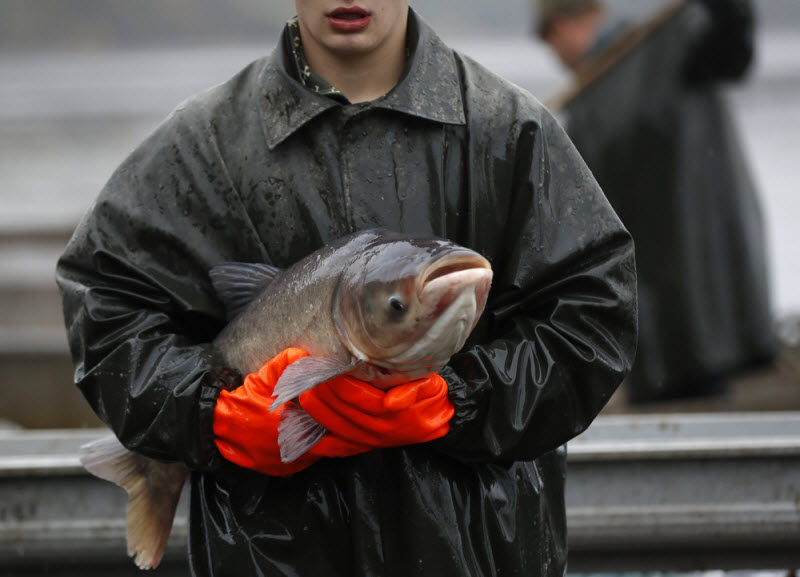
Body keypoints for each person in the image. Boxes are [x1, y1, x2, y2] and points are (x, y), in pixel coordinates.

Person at [56, 1, 637, 575]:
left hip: (482, 550)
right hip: (266, 556)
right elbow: (107, 306)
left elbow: (594, 315)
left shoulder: (511, 129)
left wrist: (465, 402)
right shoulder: (200, 146)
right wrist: (209, 415)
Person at [536, 0, 777, 404]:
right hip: (645, 302)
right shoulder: (586, 100)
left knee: (702, 402)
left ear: (567, 25)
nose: (553, 54)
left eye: (548, 39)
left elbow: (733, 51)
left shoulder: (668, 47)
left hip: (698, 275)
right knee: (664, 398)